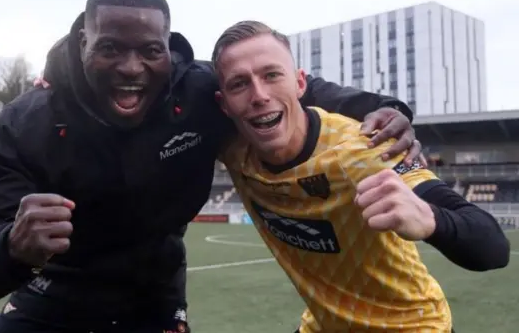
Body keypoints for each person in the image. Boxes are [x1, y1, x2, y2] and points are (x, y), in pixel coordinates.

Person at [0, 0, 422, 333]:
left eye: (149, 51)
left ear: (167, 48)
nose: (132, 69)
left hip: (154, 295)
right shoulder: (27, 122)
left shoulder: (198, 92)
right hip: (54, 292)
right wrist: (10, 245)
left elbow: (290, 88)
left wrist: (384, 109)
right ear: (83, 43)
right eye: (110, 48)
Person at [212, 20, 510, 333]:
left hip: (409, 326)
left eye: (272, 75)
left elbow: (492, 247)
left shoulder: (362, 147)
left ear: (300, 84)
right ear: (224, 105)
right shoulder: (233, 149)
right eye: (239, 84)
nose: (259, 95)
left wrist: (431, 218)